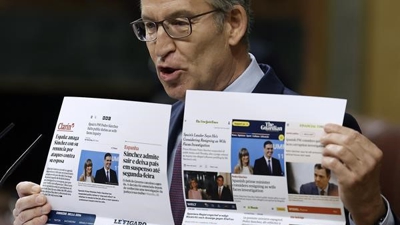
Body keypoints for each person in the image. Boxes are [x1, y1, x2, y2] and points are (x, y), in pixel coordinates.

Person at [12, 1, 399, 225]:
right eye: (149, 26)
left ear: (233, 24)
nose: (159, 47)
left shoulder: (324, 129)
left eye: (179, 24)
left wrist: (369, 211)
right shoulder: (146, 128)